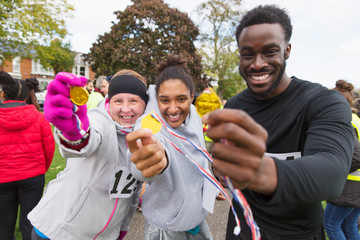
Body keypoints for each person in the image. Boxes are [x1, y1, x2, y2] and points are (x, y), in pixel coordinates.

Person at [202, 5, 354, 240]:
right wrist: (221, 169)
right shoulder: (233, 107)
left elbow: (332, 172)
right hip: (243, 231)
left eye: (270, 51)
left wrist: (260, 171)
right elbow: (224, 164)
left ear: (287, 50)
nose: (257, 64)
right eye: (248, 54)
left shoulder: (322, 102)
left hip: (299, 234)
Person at [28, 70, 148, 240]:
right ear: (109, 101)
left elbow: (132, 193)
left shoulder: (142, 136)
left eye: (134, 101)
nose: (125, 108)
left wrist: (122, 229)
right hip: (58, 231)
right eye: (118, 101)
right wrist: (72, 131)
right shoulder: (99, 120)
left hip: (104, 235)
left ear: (145, 104)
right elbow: (86, 139)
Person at [126, 54, 219, 239]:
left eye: (181, 99)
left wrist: (209, 185)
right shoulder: (149, 122)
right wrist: (153, 162)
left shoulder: (193, 115)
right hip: (166, 227)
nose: (173, 108)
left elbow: (197, 155)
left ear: (192, 97)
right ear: (157, 98)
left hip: (197, 220)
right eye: (165, 100)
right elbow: (144, 160)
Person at [0, 71, 55, 240]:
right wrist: (40, 168)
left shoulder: (37, 117)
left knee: (4, 223)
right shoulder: (39, 117)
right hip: (32, 176)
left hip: (4, 177)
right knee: (29, 222)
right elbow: (49, 147)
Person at [323, 80, 360, 240]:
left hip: (349, 184)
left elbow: (357, 157)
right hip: (357, 183)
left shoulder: (344, 120)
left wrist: (333, 167)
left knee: (330, 223)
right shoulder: (355, 118)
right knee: (349, 224)